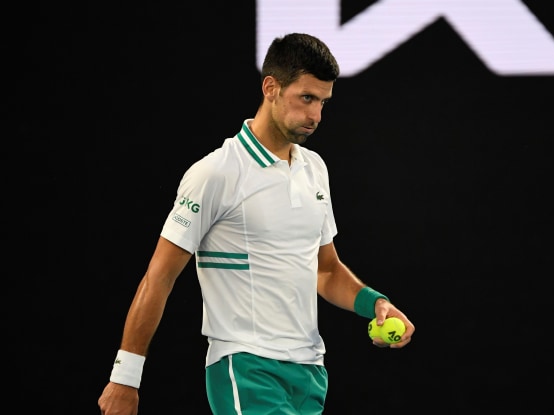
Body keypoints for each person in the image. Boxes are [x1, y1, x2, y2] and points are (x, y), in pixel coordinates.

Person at [98, 32, 415, 415]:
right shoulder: (215, 173)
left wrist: (376, 303)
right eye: (306, 98)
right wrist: (125, 376)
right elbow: (159, 277)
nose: (315, 115)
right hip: (246, 367)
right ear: (271, 88)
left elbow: (326, 270)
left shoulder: (314, 169)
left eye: (323, 102)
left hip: (310, 372)